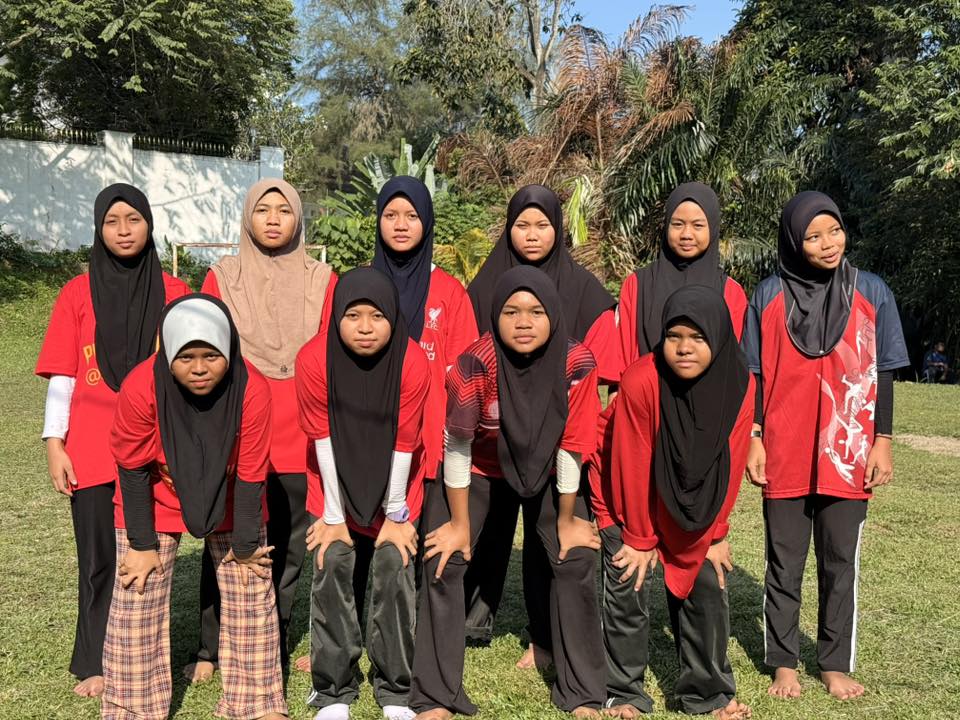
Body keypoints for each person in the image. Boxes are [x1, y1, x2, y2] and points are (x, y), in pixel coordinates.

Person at [410, 266, 605, 719]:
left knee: (575, 556)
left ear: (554, 315)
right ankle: (436, 695)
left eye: (536, 312)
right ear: (495, 316)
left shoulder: (576, 362)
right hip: (481, 467)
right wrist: (459, 525)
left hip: (549, 466)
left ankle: (581, 692)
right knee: (443, 556)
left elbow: (573, 444)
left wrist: (566, 520)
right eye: (511, 312)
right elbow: (457, 444)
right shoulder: (474, 364)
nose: (523, 322)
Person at [742, 191, 909, 701]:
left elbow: (884, 372)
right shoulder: (768, 294)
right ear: (795, 241)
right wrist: (754, 437)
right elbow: (753, 375)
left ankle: (834, 663)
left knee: (840, 561)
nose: (828, 243)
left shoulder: (872, 291)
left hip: (848, 449)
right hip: (784, 445)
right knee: (784, 559)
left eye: (834, 230)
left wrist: (882, 441)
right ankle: (783, 662)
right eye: (813, 236)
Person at [35, 183, 190, 698]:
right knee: (98, 558)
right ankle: (94, 659)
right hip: (92, 449)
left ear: (150, 225)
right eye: (111, 221)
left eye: (134, 219)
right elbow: (64, 376)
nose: (123, 231)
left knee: (152, 555)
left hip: (156, 451)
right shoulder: (77, 293)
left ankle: (142, 654)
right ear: (98, 229)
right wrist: (54, 442)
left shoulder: (176, 293)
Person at [103, 294, 286, 720]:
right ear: (167, 353)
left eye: (211, 356)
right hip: (154, 496)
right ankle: (133, 707)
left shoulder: (252, 389)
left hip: (232, 495)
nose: (199, 368)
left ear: (229, 351)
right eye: (186, 357)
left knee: (250, 585)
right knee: (137, 590)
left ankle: (256, 701)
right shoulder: (141, 387)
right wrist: (141, 544)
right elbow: (132, 466)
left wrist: (245, 547)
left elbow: (252, 473)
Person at [188, 178, 336, 679]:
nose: (273, 219)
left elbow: (329, 354)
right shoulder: (222, 277)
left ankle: (271, 638)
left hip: (300, 432)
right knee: (225, 537)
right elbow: (206, 350)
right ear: (247, 217)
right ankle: (211, 648)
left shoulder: (322, 280)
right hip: (237, 429)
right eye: (263, 209)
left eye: (284, 210)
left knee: (290, 547)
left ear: (298, 219)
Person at [464, 184, 616, 667]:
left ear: (558, 229)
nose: (532, 235)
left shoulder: (583, 289)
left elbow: (602, 369)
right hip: (495, 435)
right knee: (488, 527)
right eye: (522, 225)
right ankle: (470, 619)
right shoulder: (486, 285)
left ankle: (544, 636)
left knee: (544, 535)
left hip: (558, 438)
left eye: (542, 225)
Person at [589, 285, 754, 720]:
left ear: (718, 337)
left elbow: (731, 460)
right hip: (622, 491)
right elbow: (631, 460)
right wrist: (640, 537)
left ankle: (708, 694)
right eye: (673, 336)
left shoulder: (739, 382)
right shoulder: (641, 379)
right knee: (629, 578)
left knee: (708, 580)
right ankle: (622, 691)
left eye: (697, 337)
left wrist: (715, 532)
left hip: (693, 493)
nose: (683, 348)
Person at [295, 267, 430, 720]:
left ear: (394, 316)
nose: (366, 327)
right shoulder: (313, 359)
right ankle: (333, 689)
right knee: (332, 561)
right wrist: (334, 517)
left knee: (394, 564)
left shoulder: (412, 361)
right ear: (336, 317)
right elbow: (321, 438)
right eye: (353, 316)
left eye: (377, 316)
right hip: (332, 481)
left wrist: (395, 515)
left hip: (397, 483)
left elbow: (405, 442)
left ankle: (395, 688)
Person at [617, 182, 748, 369]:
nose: (686, 234)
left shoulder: (730, 292)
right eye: (677, 224)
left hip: (711, 388)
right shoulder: (638, 284)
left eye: (698, 225)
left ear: (712, 228)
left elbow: (734, 361)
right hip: (647, 385)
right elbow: (623, 352)